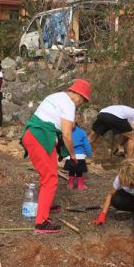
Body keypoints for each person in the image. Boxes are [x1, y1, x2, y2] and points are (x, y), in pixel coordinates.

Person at [21, 79, 92, 233]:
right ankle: (41, 223)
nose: (81, 103)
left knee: (47, 175)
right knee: (51, 179)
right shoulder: (69, 104)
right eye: (82, 99)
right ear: (77, 94)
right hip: (40, 137)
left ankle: (44, 205)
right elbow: (67, 134)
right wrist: (72, 155)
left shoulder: (56, 96)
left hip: (32, 135)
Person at [65, 121, 92, 190]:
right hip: (79, 156)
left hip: (70, 155)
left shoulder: (66, 131)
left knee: (72, 170)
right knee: (79, 171)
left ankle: (71, 184)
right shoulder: (82, 132)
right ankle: (80, 185)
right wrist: (89, 153)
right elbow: (86, 144)